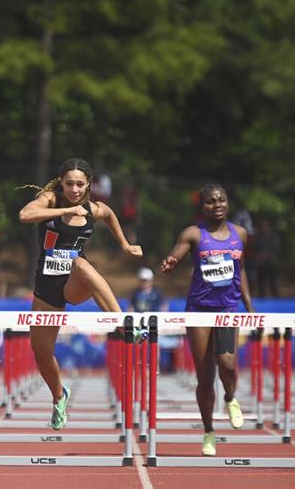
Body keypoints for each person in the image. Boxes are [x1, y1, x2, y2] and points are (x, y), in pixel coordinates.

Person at [18, 157, 142, 430]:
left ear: (88, 185)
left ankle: (123, 325)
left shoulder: (93, 209)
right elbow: (25, 215)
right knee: (41, 353)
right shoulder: (50, 200)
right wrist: (63, 210)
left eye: (79, 185)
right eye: (69, 184)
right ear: (61, 183)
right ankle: (59, 396)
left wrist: (124, 244)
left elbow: (109, 214)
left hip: (74, 282)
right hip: (47, 285)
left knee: (82, 263)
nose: (74, 189)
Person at [160, 183, 252, 456]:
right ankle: (209, 431)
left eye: (221, 200)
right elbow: (177, 253)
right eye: (211, 202)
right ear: (203, 207)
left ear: (227, 202)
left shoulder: (241, 234)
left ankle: (231, 398)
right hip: (199, 310)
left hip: (227, 309)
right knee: (205, 376)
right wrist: (171, 261)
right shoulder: (194, 234)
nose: (217, 205)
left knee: (227, 364)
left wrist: (250, 307)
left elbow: (241, 272)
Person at [255, 218, 281, 298]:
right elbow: (255, 249)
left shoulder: (274, 237)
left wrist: (266, 256)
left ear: (270, 226)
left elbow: (276, 250)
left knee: (273, 284)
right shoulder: (258, 237)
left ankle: (277, 303)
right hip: (261, 265)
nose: (264, 227)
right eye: (263, 225)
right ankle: (263, 304)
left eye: (266, 225)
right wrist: (258, 257)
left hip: (272, 264)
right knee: (261, 285)